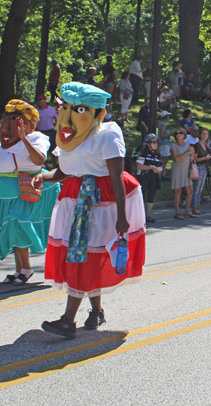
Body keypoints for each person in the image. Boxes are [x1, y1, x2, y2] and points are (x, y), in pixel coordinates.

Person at [36, 82, 146, 338]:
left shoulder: (107, 133)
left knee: (82, 257)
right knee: (85, 256)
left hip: (99, 203)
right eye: (67, 107)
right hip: (73, 199)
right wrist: (42, 176)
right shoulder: (68, 137)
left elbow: (116, 176)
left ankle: (67, 320)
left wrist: (122, 217)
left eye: (79, 108)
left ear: (97, 112)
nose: (70, 113)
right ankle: (96, 312)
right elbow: (63, 172)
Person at [0, 99, 60, 285]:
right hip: (3, 193)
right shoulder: (7, 140)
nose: (9, 121)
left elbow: (39, 159)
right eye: (8, 117)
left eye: (15, 117)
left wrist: (24, 138)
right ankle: (20, 270)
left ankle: (25, 269)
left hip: (22, 190)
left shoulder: (37, 138)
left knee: (17, 224)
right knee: (11, 228)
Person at [136, 133, 162, 223]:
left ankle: (148, 215)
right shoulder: (144, 152)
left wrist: (159, 170)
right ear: (148, 143)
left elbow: (160, 166)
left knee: (151, 195)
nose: (155, 144)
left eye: (156, 142)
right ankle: (139, 216)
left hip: (154, 177)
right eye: (153, 142)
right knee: (142, 195)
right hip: (144, 177)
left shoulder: (157, 154)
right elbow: (139, 166)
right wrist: (150, 167)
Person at [171, 127, 195, 219]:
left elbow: (191, 158)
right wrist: (188, 152)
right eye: (176, 133)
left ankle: (187, 211)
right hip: (178, 169)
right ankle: (177, 212)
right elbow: (177, 159)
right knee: (178, 190)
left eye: (180, 133)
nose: (178, 134)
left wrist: (192, 153)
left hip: (186, 169)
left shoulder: (188, 145)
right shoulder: (174, 145)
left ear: (184, 135)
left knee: (190, 190)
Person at [192, 128, 211, 215]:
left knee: (200, 189)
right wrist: (205, 158)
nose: (205, 136)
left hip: (205, 167)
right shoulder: (197, 145)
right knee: (196, 189)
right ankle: (194, 207)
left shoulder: (205, 145)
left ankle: (198, 207)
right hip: (199, 167)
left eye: (206, 134)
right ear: (200, 135)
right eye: (203, 134)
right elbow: (195, 158)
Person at [35, 94, 58, 165]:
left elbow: (57, 119)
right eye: (38, 100)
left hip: (51, 132)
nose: (40, 102)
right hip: (41, 133)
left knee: (53, 150)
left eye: (41, 100)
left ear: (45, 100)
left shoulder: (51, 109)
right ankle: (42, 165)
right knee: (41, 150)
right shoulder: (36, 111)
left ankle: (55, 164)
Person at [157, 110, 172, 178]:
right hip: (164, 144)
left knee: (164, 160)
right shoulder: (163, 124)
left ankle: (162, 174)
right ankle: (161, 175)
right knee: (164, 161)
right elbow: (163, 135)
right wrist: (170, 134)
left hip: (164, 144)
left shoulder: (162, 124)